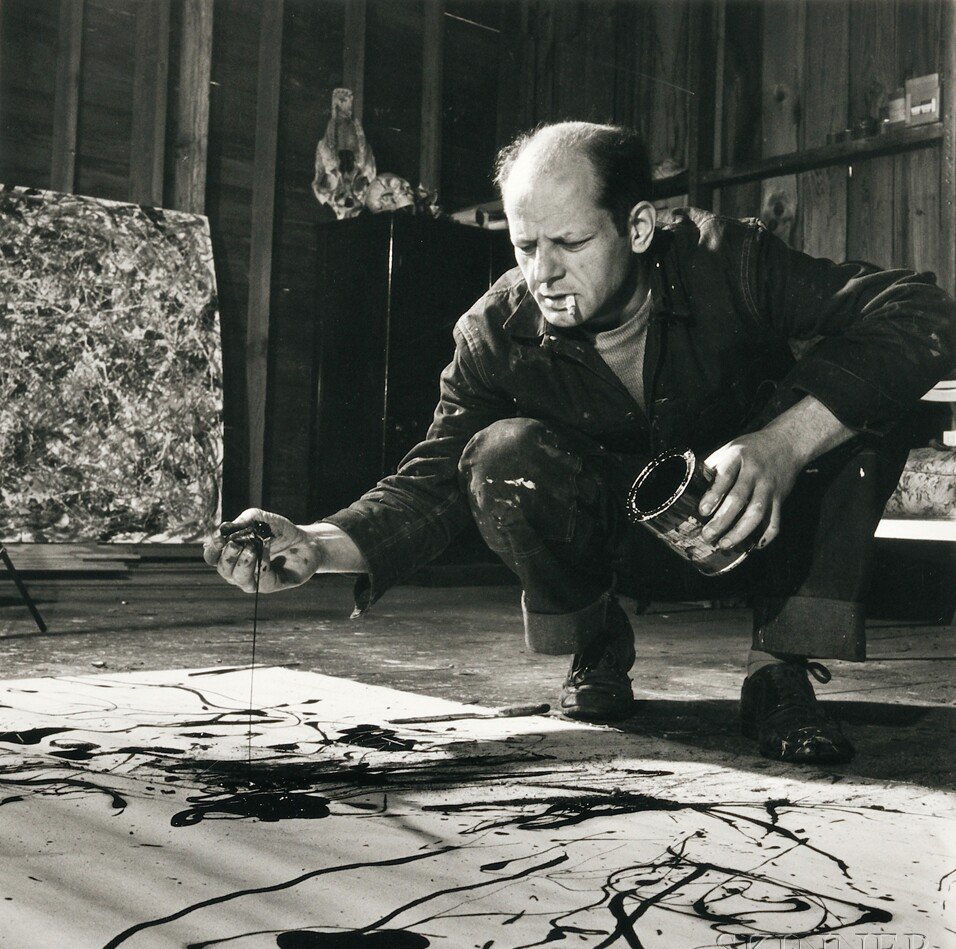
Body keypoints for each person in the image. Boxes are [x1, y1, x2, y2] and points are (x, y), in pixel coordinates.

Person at [205, 122, 955, 765]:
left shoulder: (728, 259)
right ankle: (597, 645)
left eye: (570, 242)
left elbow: (922, 312)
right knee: (499, 456)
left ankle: (778, 671)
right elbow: (430, 479)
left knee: (861, 409)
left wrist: (784, 443)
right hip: (620, 551)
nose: (543, 273)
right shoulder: (493, 330)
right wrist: (311, 543)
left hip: (762, 533)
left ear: (637, 227)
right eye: (525, 244)